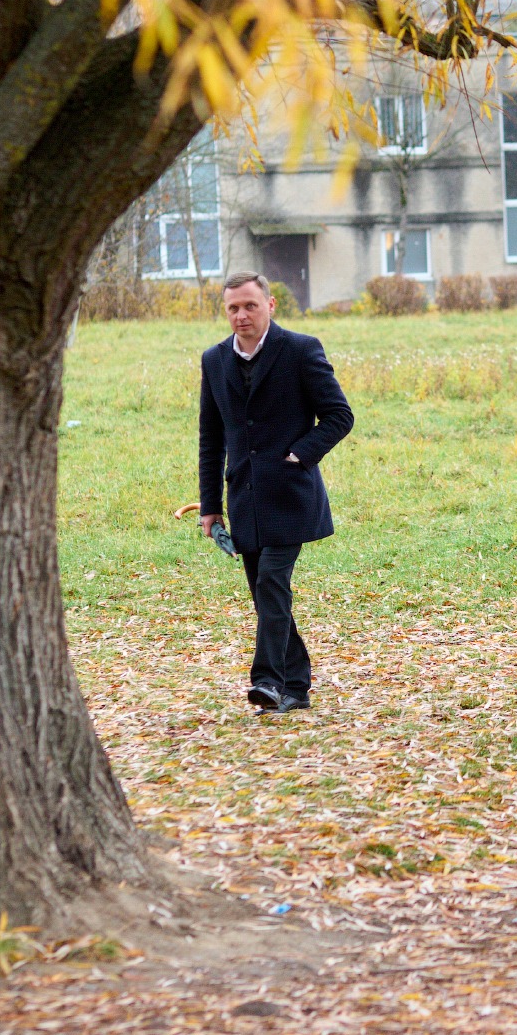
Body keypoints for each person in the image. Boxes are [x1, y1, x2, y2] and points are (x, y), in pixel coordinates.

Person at [198, 272, 355, 715]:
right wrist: (210, 506)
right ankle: (297, 685)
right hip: (243, 499)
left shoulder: (301, 350)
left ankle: (266, 681)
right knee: (266, 594)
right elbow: (211, 438)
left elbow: (340, 416)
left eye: (250, 305)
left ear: (271, 305)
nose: (241, 315)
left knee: (271, 581)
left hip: (290, 497)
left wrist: (298, 455)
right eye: (233, 308)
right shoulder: (214, 360)